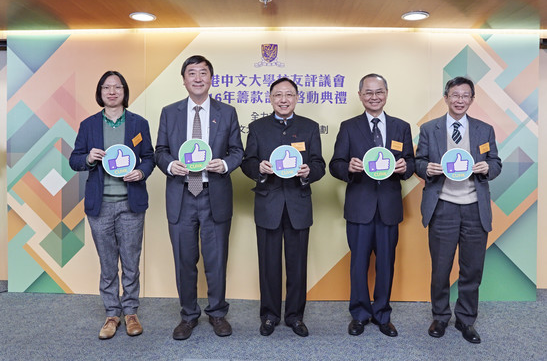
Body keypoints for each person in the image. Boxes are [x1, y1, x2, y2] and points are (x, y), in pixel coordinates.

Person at [154, 55, 243, 340]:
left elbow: (237, 151)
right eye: (191, 73)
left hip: (213, 193)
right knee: (184, 259)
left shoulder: (226, 112)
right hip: (181, 194)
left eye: (203, 73)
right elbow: (160, 150)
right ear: (183, 80)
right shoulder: (170, 112)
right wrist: (170, 164)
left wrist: (225, 164)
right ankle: (188, 316)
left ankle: (217, 313)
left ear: (210, 78)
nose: (197, 78)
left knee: (216, 260)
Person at [415, 76, 502, 344]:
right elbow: (418, 161)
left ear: (472, 100)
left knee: (472, 268)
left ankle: (465, 319)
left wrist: (488, 168)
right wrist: (425, 169)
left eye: (465, 96)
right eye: (455, 95)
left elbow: (496, 163)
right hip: (442, 206)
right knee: (441, 268)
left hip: (475, 208)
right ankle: (440, 317)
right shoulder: (430, 128)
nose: (460, 100)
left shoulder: (484, 130)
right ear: (446, 97)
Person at [69, 71, 155, 340]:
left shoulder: (139, 123)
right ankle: (111, 314)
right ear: (100, 92)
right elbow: (74, 160)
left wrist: (141, 172)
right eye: (107, 87)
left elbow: (149, 157)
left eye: (117, 87)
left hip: (131, 204)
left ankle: (130, 312)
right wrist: (89, 158)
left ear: (124, 92)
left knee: (130, 262)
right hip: (100, 205)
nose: (112, 91)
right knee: (107, 264)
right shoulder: (89, 125)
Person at [329, 73, 414, 338]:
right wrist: (349, 168)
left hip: (388, 206)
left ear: (386, 94)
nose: (374, 97)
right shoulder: (349, 126)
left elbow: (411, 162)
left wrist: (404, 167)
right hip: (360, 206)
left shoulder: (401, 126)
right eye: (368, 92)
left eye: (379, 92)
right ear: (360, 95)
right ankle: (360, 314)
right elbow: (335, 164)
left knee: (386, 263)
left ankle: (382, 314)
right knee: (358, 264)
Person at [241, 77, 325, 337]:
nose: (284, 99)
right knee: (268, 265)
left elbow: (320, 164)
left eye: (289, 94)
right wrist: (260, 170)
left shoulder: (310, 127)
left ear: (297, 98)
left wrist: (308, 171)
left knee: (297, 265)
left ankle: (295, 316)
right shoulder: (257, 127)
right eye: (278, 95)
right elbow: (247, 162)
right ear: (270, 98)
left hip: (298, 204)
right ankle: (269, 315)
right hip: (269, 204)